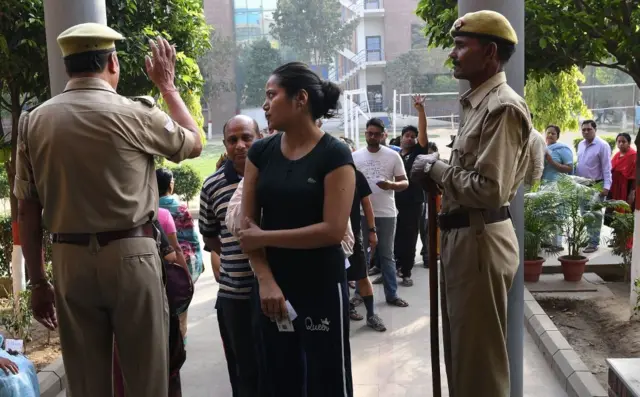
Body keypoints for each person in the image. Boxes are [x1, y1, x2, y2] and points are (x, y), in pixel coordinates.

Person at [14, 23, 202, 397]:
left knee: (85, 384)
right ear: (112, 62)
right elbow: (193, 144)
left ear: (68, 65)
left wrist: (38, 282)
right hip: (132, 256)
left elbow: (27, 209)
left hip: (70, 260)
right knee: (146, 379)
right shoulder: (136, 114)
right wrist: (167, 87)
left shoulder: (33, 122)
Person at [412, 11, 531, 397]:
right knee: (464, 357)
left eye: (462, 45)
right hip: (465, 238)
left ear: (490, 52)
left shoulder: (503, 107)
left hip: (480, 238)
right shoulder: (478, 104)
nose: (453, 53)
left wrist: (436, 168)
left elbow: (490, 190)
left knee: (480, 366)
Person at [237, 62, 355, 396]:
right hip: (272, 289)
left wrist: (266, 238)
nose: (265, 104)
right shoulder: (261, 152)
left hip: (320, 285)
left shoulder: (334, 154)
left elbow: (333, 231)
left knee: (327, 379)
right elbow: (248, 227)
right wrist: (266, 280)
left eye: (271, 95)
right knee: (278, 378)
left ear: (300, 99)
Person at [199, 115, 261, 396]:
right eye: (233, 140)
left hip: (278, 290)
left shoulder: (275, 178)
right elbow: (211, 236)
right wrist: (237, 257)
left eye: (247, 137)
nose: (240, 145)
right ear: (224, 144)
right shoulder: (212, 186)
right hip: (234, 294)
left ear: (260, 137)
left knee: (279, 366)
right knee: (243, 370)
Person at [353, 118, 409, 307]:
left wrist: (391, 185)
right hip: (360, 213)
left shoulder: (393, 156)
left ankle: (391, 294)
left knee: (386, 254)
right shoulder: (356, 156)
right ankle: (360, 294)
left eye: (377, 134)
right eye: (369, 133)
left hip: (386, 213)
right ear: (365, 133)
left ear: (384, 135)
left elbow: (405, 182)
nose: (373, 137)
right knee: (360, 255)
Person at [339, 137, 387, 331]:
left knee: (362, 275)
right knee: (338, 278)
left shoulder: (357, 176)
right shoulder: (324, 175)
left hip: (353, 236)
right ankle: (345, 309)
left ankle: (371, 314)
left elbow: (367, 205)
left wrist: (372, 231)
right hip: (331, 238)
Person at [394, 95, 429, 286]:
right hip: (394, 202)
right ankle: (393, 269)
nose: (410, 138)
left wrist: (421, 111)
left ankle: (406, 273)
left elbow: (423, 135)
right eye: (407, 135)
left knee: (409, 236)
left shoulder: (417, 152)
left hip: (413, 202)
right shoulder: (396, 154)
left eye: (413, 136)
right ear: (401, 138)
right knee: (395, 237)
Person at [575, 120, 612, 253]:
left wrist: (606, 187)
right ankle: (590, 238)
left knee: (595, 215)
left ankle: (594, 242)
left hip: (596, 185)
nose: (585, 132)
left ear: (595, 129)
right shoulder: (580, 144)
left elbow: (607, 168)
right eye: (583, 129)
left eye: (588, 129)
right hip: (582, 185)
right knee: (584, 213)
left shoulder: (602, 145)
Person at [541, 125, 573, 252]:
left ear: (557, 136)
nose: (549, 135)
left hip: (557, 185)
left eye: (553, 133)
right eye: (548, 133)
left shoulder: (562, 149)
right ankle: (548, 241)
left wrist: (551, 162)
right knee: (546, 214)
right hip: (544, 185)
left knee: (557, 215)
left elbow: (569, 168)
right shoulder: (543, 148)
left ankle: (557, 244)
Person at [605, 132, 636, 242]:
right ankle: (616, 239)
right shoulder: (617, 155)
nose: (621, 144)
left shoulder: (633, 156)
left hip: (626, 189)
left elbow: (635, 177)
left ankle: (625, 240)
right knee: (613, 213)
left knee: (625, 214)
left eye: (624, 141)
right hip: (614, 189)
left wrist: (632, 193)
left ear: (629, 143)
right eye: (619, 141)